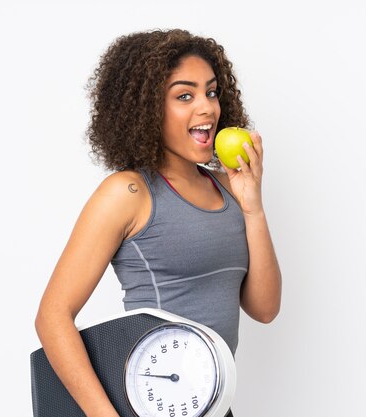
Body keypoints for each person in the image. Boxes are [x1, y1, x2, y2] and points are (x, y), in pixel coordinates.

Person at [35, 29, 282, 417]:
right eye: (184, 95)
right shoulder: (128, 193)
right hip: (149, 404)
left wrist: (253, 208)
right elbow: (52, 316)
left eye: (211, 92)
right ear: (149, 108)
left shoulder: (228, 188)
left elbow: (264, 308)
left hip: (214, 405)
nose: (207, 108)